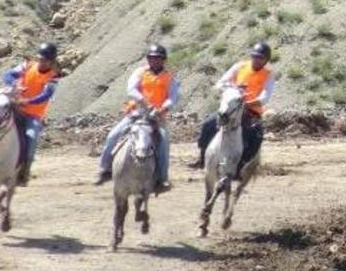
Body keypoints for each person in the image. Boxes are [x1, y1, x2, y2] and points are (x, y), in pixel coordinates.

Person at [0, 43, 60, 186]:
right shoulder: (28, 65)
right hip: (15, 106)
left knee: (31, 138)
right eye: (39, 58)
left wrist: (27, 101)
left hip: (32, 115)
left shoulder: (53, 77)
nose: (40, 62)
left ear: (51, 62)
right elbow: (7, 75)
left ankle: (24, 172)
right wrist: (14, 84)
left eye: (44, 60)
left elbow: (45, 96)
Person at [94, 44, 178, 193]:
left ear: (163, 60)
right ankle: (105, 168)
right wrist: (145, 102)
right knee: (113, 135)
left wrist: (163, 107)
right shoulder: (140, 72)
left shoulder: (169, 77)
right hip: (136, 113)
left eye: (157, 58)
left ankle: (162, 178)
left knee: (163, 143)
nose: (154, 61)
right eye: (151, 58)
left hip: (156, 118)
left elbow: (173, 97)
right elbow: (131, 90)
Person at [188, 42, 275, 172]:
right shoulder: (240, 66)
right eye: (254, 56)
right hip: (232, 106)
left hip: (251, 110)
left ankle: (245, 164)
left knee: (256, 135)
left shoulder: (269, 73)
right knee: (208, 124)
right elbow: (220, 83)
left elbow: (265, 97)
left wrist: (247, 103)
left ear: (266, 59)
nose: (256, 60)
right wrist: (234, 89)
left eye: (260, 57)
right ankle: (202, 157)